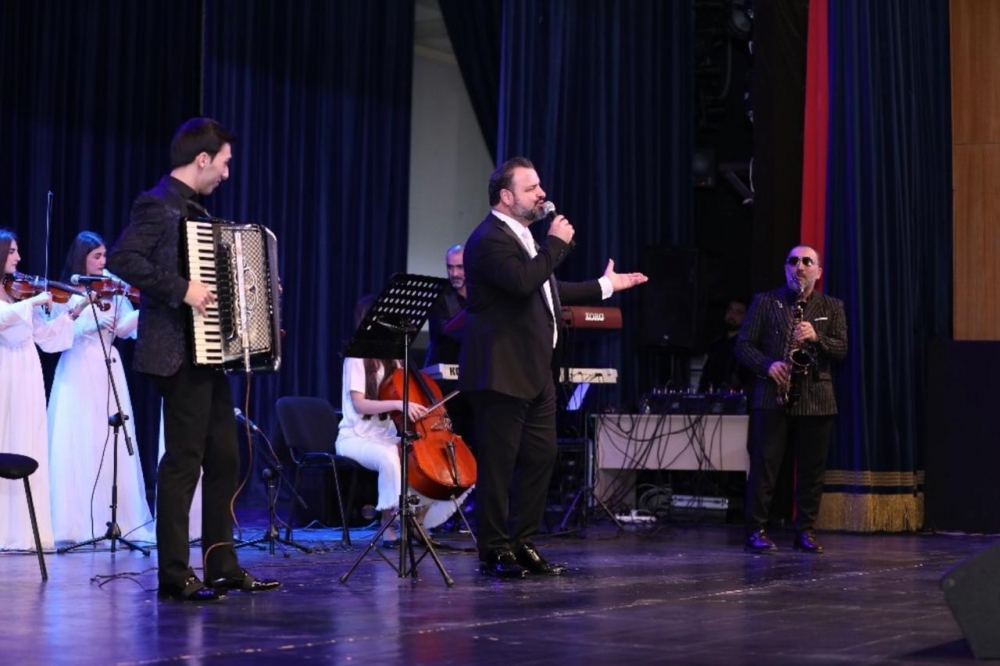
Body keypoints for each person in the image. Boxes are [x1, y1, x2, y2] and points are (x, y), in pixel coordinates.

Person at [106, 117, 279, 601]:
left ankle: (222, 566)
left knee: (225, 457)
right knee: (183, 462)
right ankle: (174, 574)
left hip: (206, 354)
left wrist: (253, 296)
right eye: (224, 163)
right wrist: (182, 288)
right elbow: (123, 259)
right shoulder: (157, 203)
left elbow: (215, 283)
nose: (226, 173)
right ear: (202, 159)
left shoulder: (197, 212)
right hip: (174, 354)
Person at [459, 157, 647, 578]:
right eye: (531, 188)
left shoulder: (523, 238)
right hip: (500, 371)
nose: (541, 193)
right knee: (499, 465)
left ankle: (522, 542)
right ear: (506, 197)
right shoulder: (488, 239)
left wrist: (607, 285)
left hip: (535, 371)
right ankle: (494, 550)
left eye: (539, 186)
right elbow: (524, 281)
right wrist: (556, 244)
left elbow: (548, 288)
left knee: (541, 457)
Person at [735, 244, 848, 554]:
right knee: (765, 467)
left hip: (816, 398)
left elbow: (841, 349)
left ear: (818, 272)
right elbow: (743, 345)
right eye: (793, 261)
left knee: (812, 471)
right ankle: (756, 529)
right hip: (773, 395)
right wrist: (768, 365)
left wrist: (816, 337)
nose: (800, 266)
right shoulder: (765, 302)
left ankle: (806, 531)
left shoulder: (832, 306)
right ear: (786, 268)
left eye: (807, 261)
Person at [48, 231, 155, 545]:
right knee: (81, 437)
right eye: (97, 256)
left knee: (111, 438)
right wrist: (88, 323)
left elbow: (123, 329)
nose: (102, 262)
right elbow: (59, 335)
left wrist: (147, 309)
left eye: (104, 256)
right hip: (78, 367)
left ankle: (117, 519)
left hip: (109, 367)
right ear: (82, 258)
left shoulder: (112, 288)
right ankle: (77, 522)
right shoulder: (68, 292)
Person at [337, 295, 470, 548]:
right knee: (390, 456)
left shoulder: (396, 359)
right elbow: (360, 404)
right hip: (355, 437)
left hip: (386, 435)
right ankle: (387, 526)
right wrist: (399, 404)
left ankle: (417, 520)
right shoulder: (357, 357)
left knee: (427, 460)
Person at [0, 229, 79, 550]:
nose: (19, 258)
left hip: (28, 370)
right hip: (4, 368)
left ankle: (24, 529)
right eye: (12, 251)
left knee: (26, 439)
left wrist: (71, 313)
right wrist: (34, 300)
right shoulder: (20, 300)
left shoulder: (20, 295)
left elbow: (46, 338)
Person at [424, 244, 467, 368]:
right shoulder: (438, 294)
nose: (454, 273)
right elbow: (444, 331)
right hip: (443, 367)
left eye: (460, 267)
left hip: (471, 366)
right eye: (450, 267)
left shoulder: (479, 295)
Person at [698, 298, 753, 393]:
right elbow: (706, 377)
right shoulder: (716, 344)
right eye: (730, 310)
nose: (732, 315)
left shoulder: (747, 347)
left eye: (738, 312)